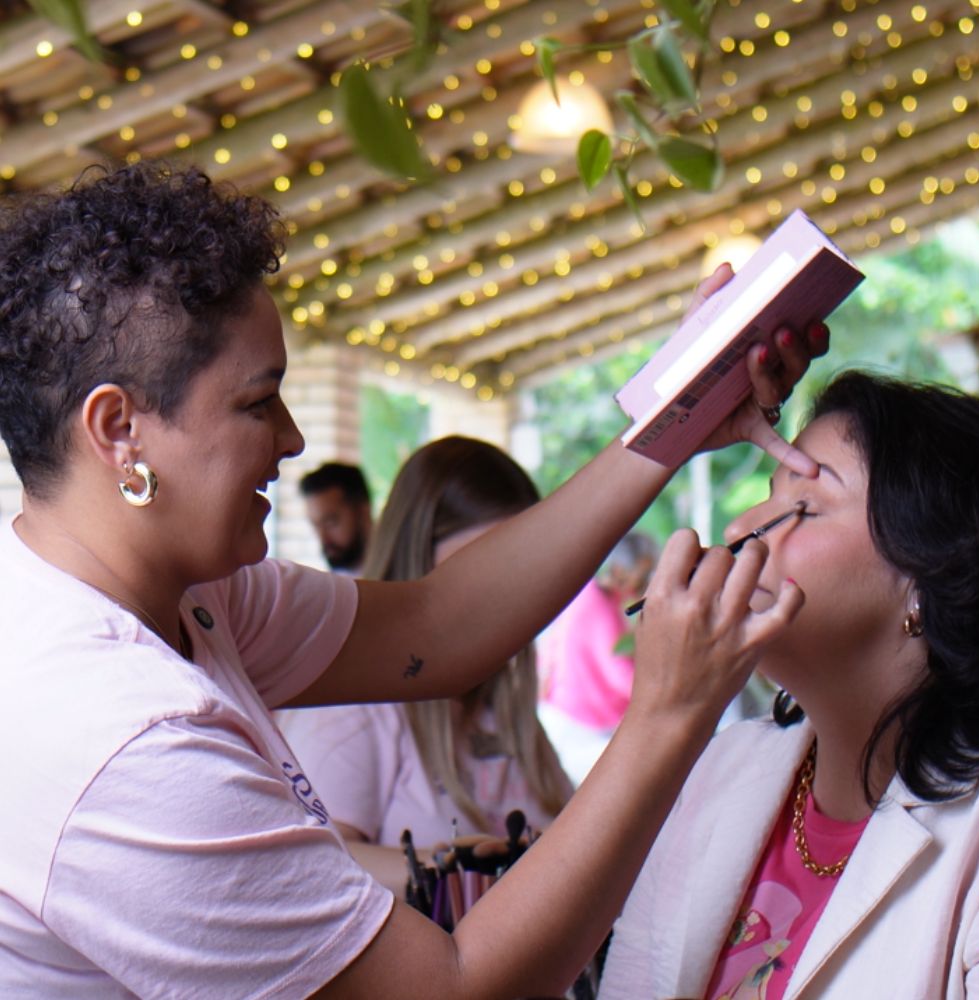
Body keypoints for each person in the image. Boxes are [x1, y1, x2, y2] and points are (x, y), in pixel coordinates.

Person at [0, 160, 825, 998]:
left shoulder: (172, 595)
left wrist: (676, 416)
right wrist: (671, 711)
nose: (293, 441)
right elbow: (451, 989)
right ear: (118, 429)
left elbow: (439, 627)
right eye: (258, 403)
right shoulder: (121, 744)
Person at [598, 371, 979, 1000]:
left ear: (928, 583)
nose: (738, 531)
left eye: (805, 508)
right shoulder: (725, 767)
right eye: (769, 492)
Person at [277, 436, 573, 897]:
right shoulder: (355, 703)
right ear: (417, 560)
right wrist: (451, 870)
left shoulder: (502, 702)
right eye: (483, 563)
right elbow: (312, 864)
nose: (509, 592)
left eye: (523, 566)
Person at [538, 531, 658, 785]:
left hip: (571, 721)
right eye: (644, 572)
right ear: (621, 569)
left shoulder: (591, 595)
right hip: (580, 729)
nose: (646, 581)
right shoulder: (598, 607)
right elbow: (623, 677)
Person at [299, 461, 372, 573]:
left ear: (362, 510)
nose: (323, 538)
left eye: (330, 523)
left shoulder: (401, 564)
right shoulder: (333, 582)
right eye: (316, 526)